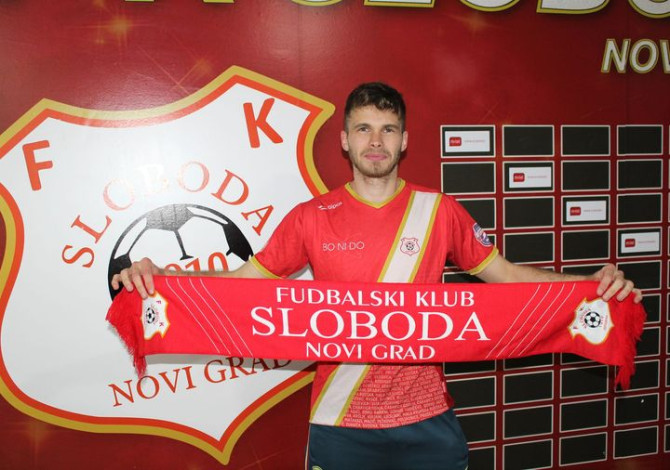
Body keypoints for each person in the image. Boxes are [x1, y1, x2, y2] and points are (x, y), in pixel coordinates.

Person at [112, 82, 641, 470]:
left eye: (387, 129)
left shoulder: (439, 211)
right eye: (363, 128)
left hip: (427, 421)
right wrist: (164, 281)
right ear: (345, 140)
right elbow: (246, 280)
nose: (375, 141)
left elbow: (503, 274)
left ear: (404, 140)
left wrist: (591, 289)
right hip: (340, 420)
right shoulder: (310, 217)